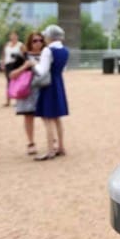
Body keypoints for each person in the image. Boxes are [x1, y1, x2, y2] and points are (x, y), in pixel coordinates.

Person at [26, 24, 70, 161]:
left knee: (48, 118)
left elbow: (42, 71)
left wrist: (33, 64)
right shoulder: (65, 50)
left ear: (50, 37)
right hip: (58, 82)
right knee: (57, 117)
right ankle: (61, 147)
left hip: (48, 85)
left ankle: (50, 150)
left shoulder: (48, 50)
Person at [8, 32, 45, 155]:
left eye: (40, 40)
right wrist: (25, 66)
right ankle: (31, 143)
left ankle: (53, 140)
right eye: (35, 40)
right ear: (30, 42)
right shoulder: (23, 57)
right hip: (28, 92)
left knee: (48, 116)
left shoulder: (47, 55)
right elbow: (11, 75)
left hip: (44, 90)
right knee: (29, 117)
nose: (38, 43)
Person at [0, 31, 24, 107]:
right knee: (9, 82)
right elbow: (4, 55)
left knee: (17, 82)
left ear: (17, 36)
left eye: (15, 35)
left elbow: (24, 55)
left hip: (17, 65)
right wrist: (2, 63)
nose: (13, 37)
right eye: (11, 35)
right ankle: (8, 101)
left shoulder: (20, 45)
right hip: (8, 65)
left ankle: (17, 101)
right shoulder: (7, 44)